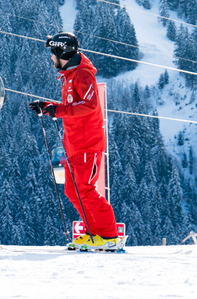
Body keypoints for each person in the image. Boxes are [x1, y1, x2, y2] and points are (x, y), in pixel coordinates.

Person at [29, 32, 121, 251]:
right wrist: (48, 106)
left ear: (63, 52)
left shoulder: (82, 75)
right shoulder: (70, 76)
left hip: (87, 143)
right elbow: (73, 105)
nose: (51, 58)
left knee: (86, 189)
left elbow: (89, 105)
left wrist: (56, 110)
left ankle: (108, 237)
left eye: (53, 53)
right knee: (73, 190)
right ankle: (93, 234)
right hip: (75, 144)